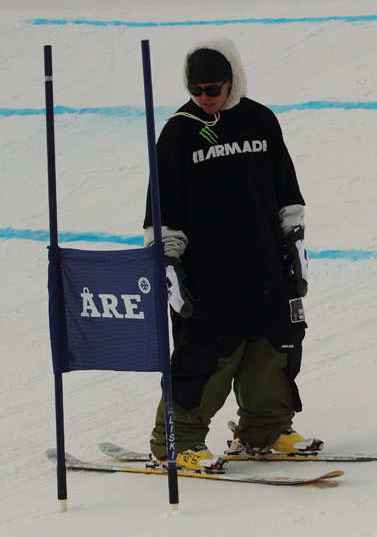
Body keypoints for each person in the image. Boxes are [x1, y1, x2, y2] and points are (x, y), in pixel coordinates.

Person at [143, 37, 317, 470]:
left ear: (233, 80)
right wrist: (168, 264)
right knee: (206, 355)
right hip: (207, 273)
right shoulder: (179, 133)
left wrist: (295, 243)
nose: (204, 98)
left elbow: (285, 190)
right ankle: (176, 441)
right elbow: (163, 210)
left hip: (264, 263)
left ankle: (266, 428)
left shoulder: (260, 120)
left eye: (213, 89)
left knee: (273, 346)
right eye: (195, 90)